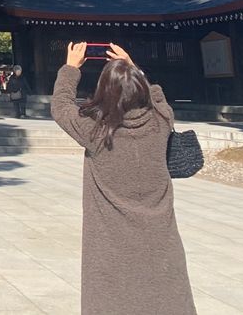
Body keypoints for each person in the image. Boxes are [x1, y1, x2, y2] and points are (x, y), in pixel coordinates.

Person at [52, 42, 196, 315]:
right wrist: (133, 68)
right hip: (161, 242)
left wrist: (71, 68)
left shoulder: (96, 132)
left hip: (111, 246)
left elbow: (61, 107)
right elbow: (157, 97)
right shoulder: (161, 123)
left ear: (104, 92)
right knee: (166, 300)